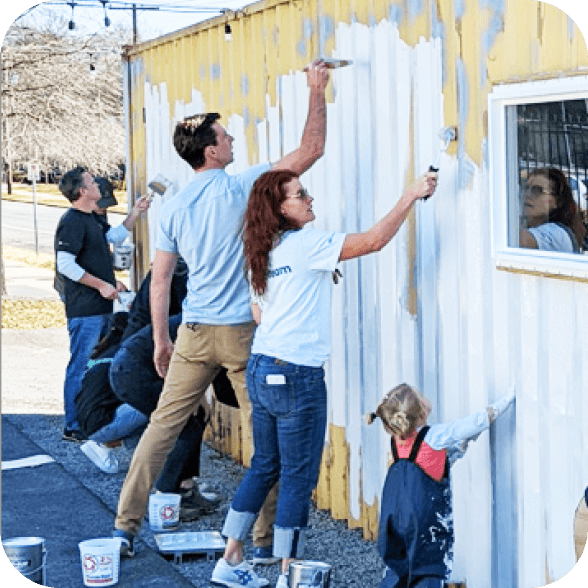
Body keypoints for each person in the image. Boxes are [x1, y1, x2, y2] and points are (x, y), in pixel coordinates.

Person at [113, 61, 331, 561]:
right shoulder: (243, 187)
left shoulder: (173, 206)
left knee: (163, 427)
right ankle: (262, 542)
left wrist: (162, 342)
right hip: (241, 334)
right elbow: (311, 150)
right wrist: (316, 90)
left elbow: (162, 278)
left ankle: (125, 527)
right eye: (226, 137)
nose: (232, 141)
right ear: (211, 149)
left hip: (191, 331)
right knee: (267, 439)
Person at [212, 167, 437, 588]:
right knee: (297, 475)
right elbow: (373, 241)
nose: (310, 199)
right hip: (296, 373)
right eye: (301, 194)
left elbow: (261, 313)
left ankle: (231, 558)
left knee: (265, 464)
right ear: (280, 210)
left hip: (262, 366)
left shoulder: (262, 251)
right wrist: (410, 194)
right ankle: (287, 575)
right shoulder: (306, 244)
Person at [366, 383, 515, 588]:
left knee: (397, 569)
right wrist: (507, 399)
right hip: (424, 524)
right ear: (421, 411)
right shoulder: (434, 436)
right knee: (428, 570)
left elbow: (423, 466)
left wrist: (458, 449)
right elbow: (473, 423)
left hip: (395, 519)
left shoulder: (396, 442)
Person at [55, 167, 150, 442]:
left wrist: (136, 212)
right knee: (82, 364)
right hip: (85, 310)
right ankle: (73, 425)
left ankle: (91, 418)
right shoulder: (72, 221)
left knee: (96, 363)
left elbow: (111, 238)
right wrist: (101, 285)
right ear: (82, 191)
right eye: (91, 181)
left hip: (101, 306)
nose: (97, 183)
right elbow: (65, 264)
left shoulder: (90, 219)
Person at [519, 168, 586, 253]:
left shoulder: (558, 233)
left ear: (556, 201)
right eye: (525, 188)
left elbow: (514, 238)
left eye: (537, 190)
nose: (527, 194)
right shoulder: (531, 227)